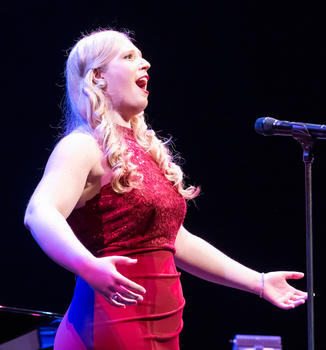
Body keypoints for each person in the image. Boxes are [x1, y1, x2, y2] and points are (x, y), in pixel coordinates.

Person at [24, 29, 307, 350]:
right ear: (98, 77)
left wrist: (257, 281)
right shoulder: (82, 145)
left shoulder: (144, 152)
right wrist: (87, 265)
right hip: (108, 325)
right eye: (129, 57)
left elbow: (174, 240)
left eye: (141, 55)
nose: (145, 63)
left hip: (162, 327)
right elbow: (40, 212)